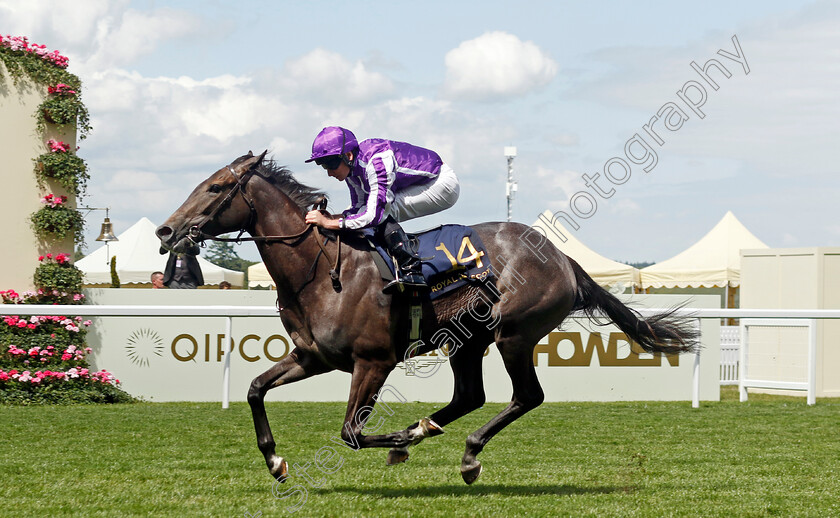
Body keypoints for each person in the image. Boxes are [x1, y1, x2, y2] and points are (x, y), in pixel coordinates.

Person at [304, 126, 460, 293]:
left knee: (383, 213)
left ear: (348, 155)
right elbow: (357, 206)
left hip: (440, 184)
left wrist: (329, 223)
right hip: (417, 183)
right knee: (358, 213)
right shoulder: (353, 168)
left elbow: (374, 217)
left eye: (331, 164)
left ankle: (411, 271)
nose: (329, 172)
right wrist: (335, 220)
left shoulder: (376, 163)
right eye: (323, 165)